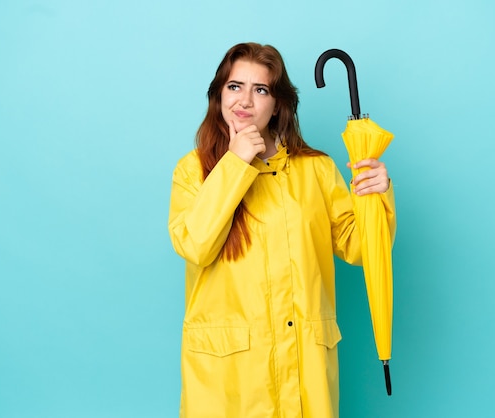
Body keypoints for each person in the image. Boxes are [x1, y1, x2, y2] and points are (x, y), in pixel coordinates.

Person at [168, 42, 396, 418]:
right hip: (230, 379)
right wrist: (235, 163)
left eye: (261, 90)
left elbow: (361, 248)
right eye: (234, 86)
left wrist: (378, 197)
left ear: (278, 104)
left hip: (304, 371)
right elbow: (195, 244)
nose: (244, 100)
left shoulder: (316, 169)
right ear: (218, 95)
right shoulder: (194, 170)